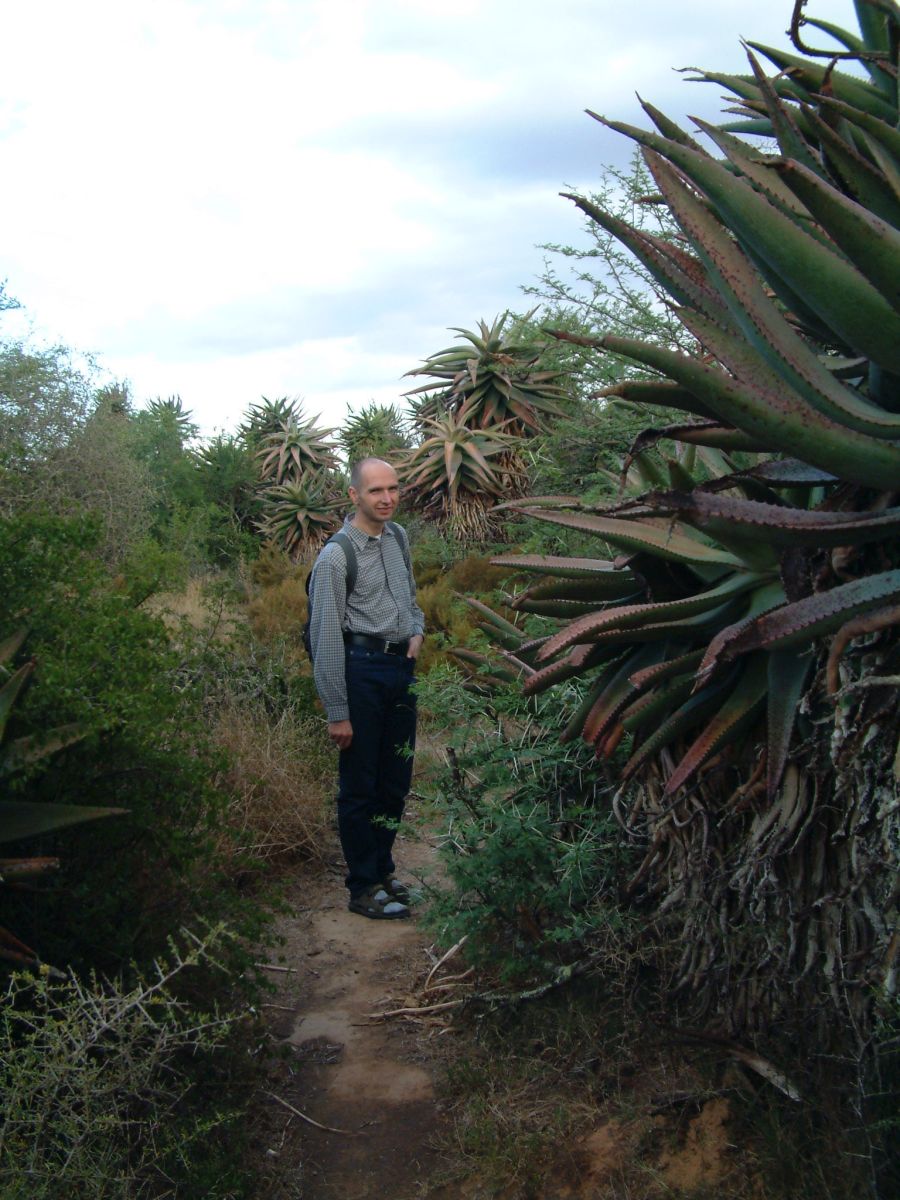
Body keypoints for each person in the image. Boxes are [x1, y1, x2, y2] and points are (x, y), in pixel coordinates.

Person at [308, 457, 425, 919]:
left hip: (401, 671)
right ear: (354, 495)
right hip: (360, 672)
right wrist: (337, 710)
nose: (387, 498)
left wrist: (416, 631)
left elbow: (412, 597)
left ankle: (383, 870)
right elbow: (325, 637)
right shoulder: (337, 556)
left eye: (393, 488)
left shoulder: (398, 538)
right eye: (376, 491)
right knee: (360, 785)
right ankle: (362, 886)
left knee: (394, 782)